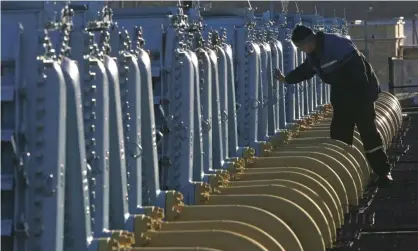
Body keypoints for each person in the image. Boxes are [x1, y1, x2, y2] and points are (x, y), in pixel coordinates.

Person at [275, 25, 393, 185]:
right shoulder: (315, 54)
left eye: (301, 47)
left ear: (309, 41)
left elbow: (359, 73)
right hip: (342, 92)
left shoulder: (337, 45)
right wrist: (286, 79)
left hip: (360, 90)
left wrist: (360, 101)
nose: (302, 51)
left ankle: (383, 173)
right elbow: (306, 70)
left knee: (369, 132)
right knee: (339, 134)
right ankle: (343, 178)